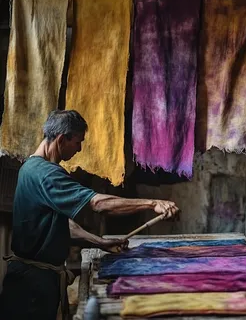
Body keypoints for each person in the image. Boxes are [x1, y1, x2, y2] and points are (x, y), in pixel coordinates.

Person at [0, 110, 179, 320]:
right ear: (61, 139)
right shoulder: (47, 174)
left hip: (31, 279)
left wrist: (99, 242)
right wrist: (152, 203)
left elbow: (60, 223)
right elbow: (98, 204)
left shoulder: (30, 167)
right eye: (78, 142)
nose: (80, 148)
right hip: (32, 285)